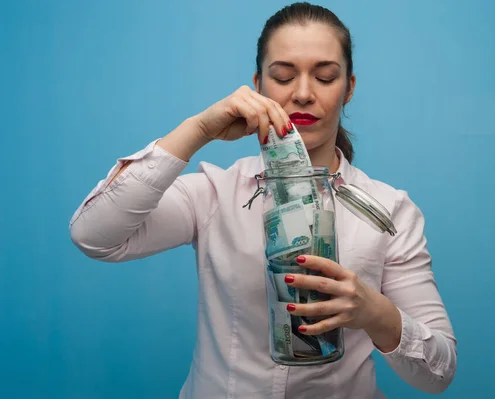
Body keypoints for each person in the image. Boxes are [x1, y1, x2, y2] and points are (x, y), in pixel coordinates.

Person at [69, 2, 457, 398]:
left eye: (325, 77)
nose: (303, 94)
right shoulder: (215, 192)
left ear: (349, 88)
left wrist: (374, 313)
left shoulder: (389, 209)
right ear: (258, 85)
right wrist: (199, 129)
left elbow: (438, 373)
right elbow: (94, 236)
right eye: (283, 76)